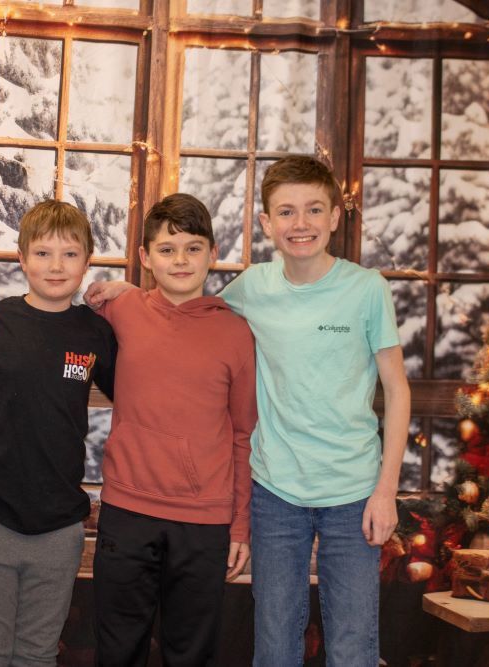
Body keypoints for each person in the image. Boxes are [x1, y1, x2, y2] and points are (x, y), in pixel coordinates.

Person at [81, 156, 410, 666]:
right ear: (266, 223)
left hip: (353, 492)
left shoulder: (366, 288)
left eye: (314, 209)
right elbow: (188, 306)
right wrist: (129, 293)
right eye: (286, 212)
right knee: (274, 642)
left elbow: (398, 390)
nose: (300, 223)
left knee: (352, 644)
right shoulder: (253, 287)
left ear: (335, 216)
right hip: (276, 491)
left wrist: (386, 491)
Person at [0, 193, 257, 666]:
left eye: (193, 248)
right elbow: (48, 314)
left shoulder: (236, 333)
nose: (180, 260)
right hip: (127, 512)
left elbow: (244, 435)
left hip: (204, 521)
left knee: (192, 654)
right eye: (166, 249)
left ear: (213, 253)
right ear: (145, 257)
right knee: (117, 651)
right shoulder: (119, 310)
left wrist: (240, 525)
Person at [0, 200, 117, 666]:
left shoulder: (96, 333)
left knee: (37, 656)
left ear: (87, 261)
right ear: (21, 258)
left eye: (70, 254)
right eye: (43, 253)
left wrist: (129, 296)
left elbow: (139, 395)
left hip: (58, 527)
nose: (56, 266)